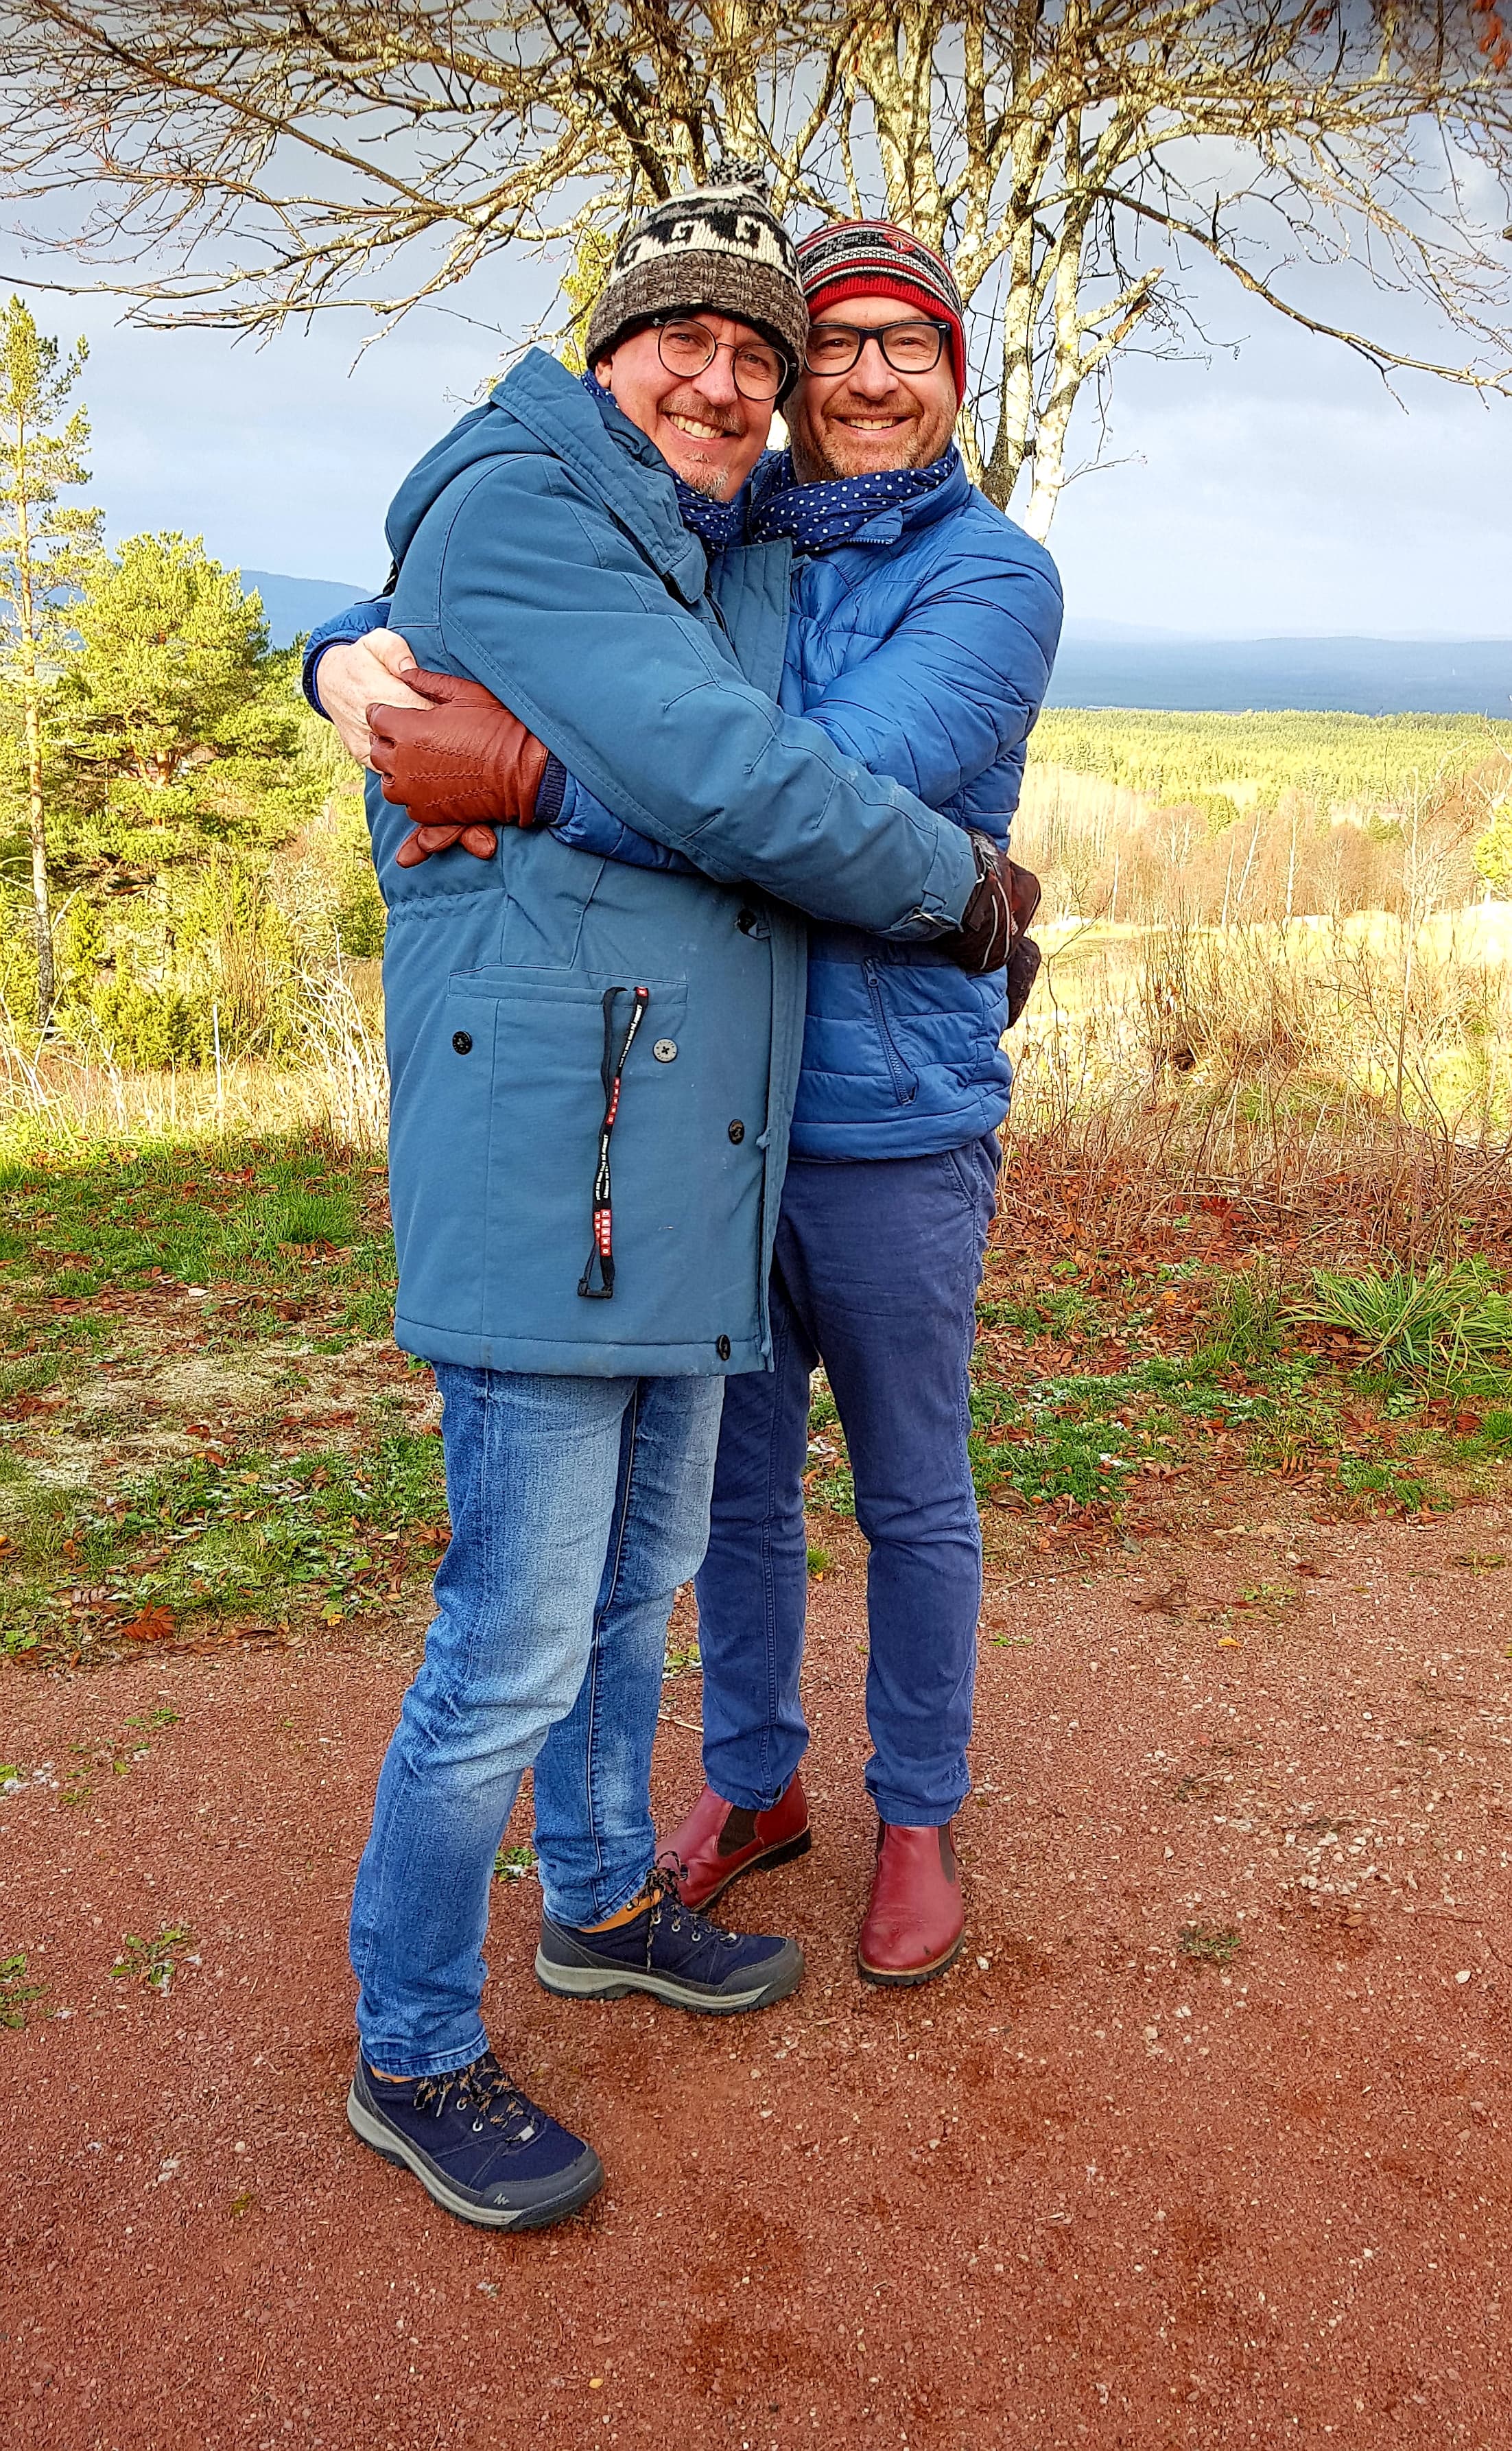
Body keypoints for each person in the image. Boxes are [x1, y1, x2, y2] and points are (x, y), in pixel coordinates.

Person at [312, 169, 1014, 2236]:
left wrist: (449, 729)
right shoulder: (545, 505)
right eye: (683, 339)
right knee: (510, 1637)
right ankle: (411, 2035)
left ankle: (606, 1892)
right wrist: (962, 895)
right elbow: (732, 783)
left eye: (756, 351)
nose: (730, 377)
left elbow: (721, 748)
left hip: (682, 1143)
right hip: (560, 1147)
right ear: (601, 347)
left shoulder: (716, 542)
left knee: (636, 1583)